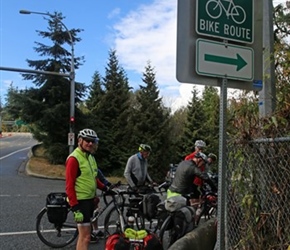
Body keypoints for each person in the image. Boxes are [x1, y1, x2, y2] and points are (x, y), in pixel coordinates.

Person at [65, 128, 112, 250]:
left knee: (84, 236)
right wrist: (75, 208)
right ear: (80, 140)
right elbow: (69, 185)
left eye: (92, 141)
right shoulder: (74, 159)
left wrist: (106, 188)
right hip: (81, 202)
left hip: (90, 200)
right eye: (87, 141)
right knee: (85, 237)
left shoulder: (90, 157)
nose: (90, 143)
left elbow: (93, 178)